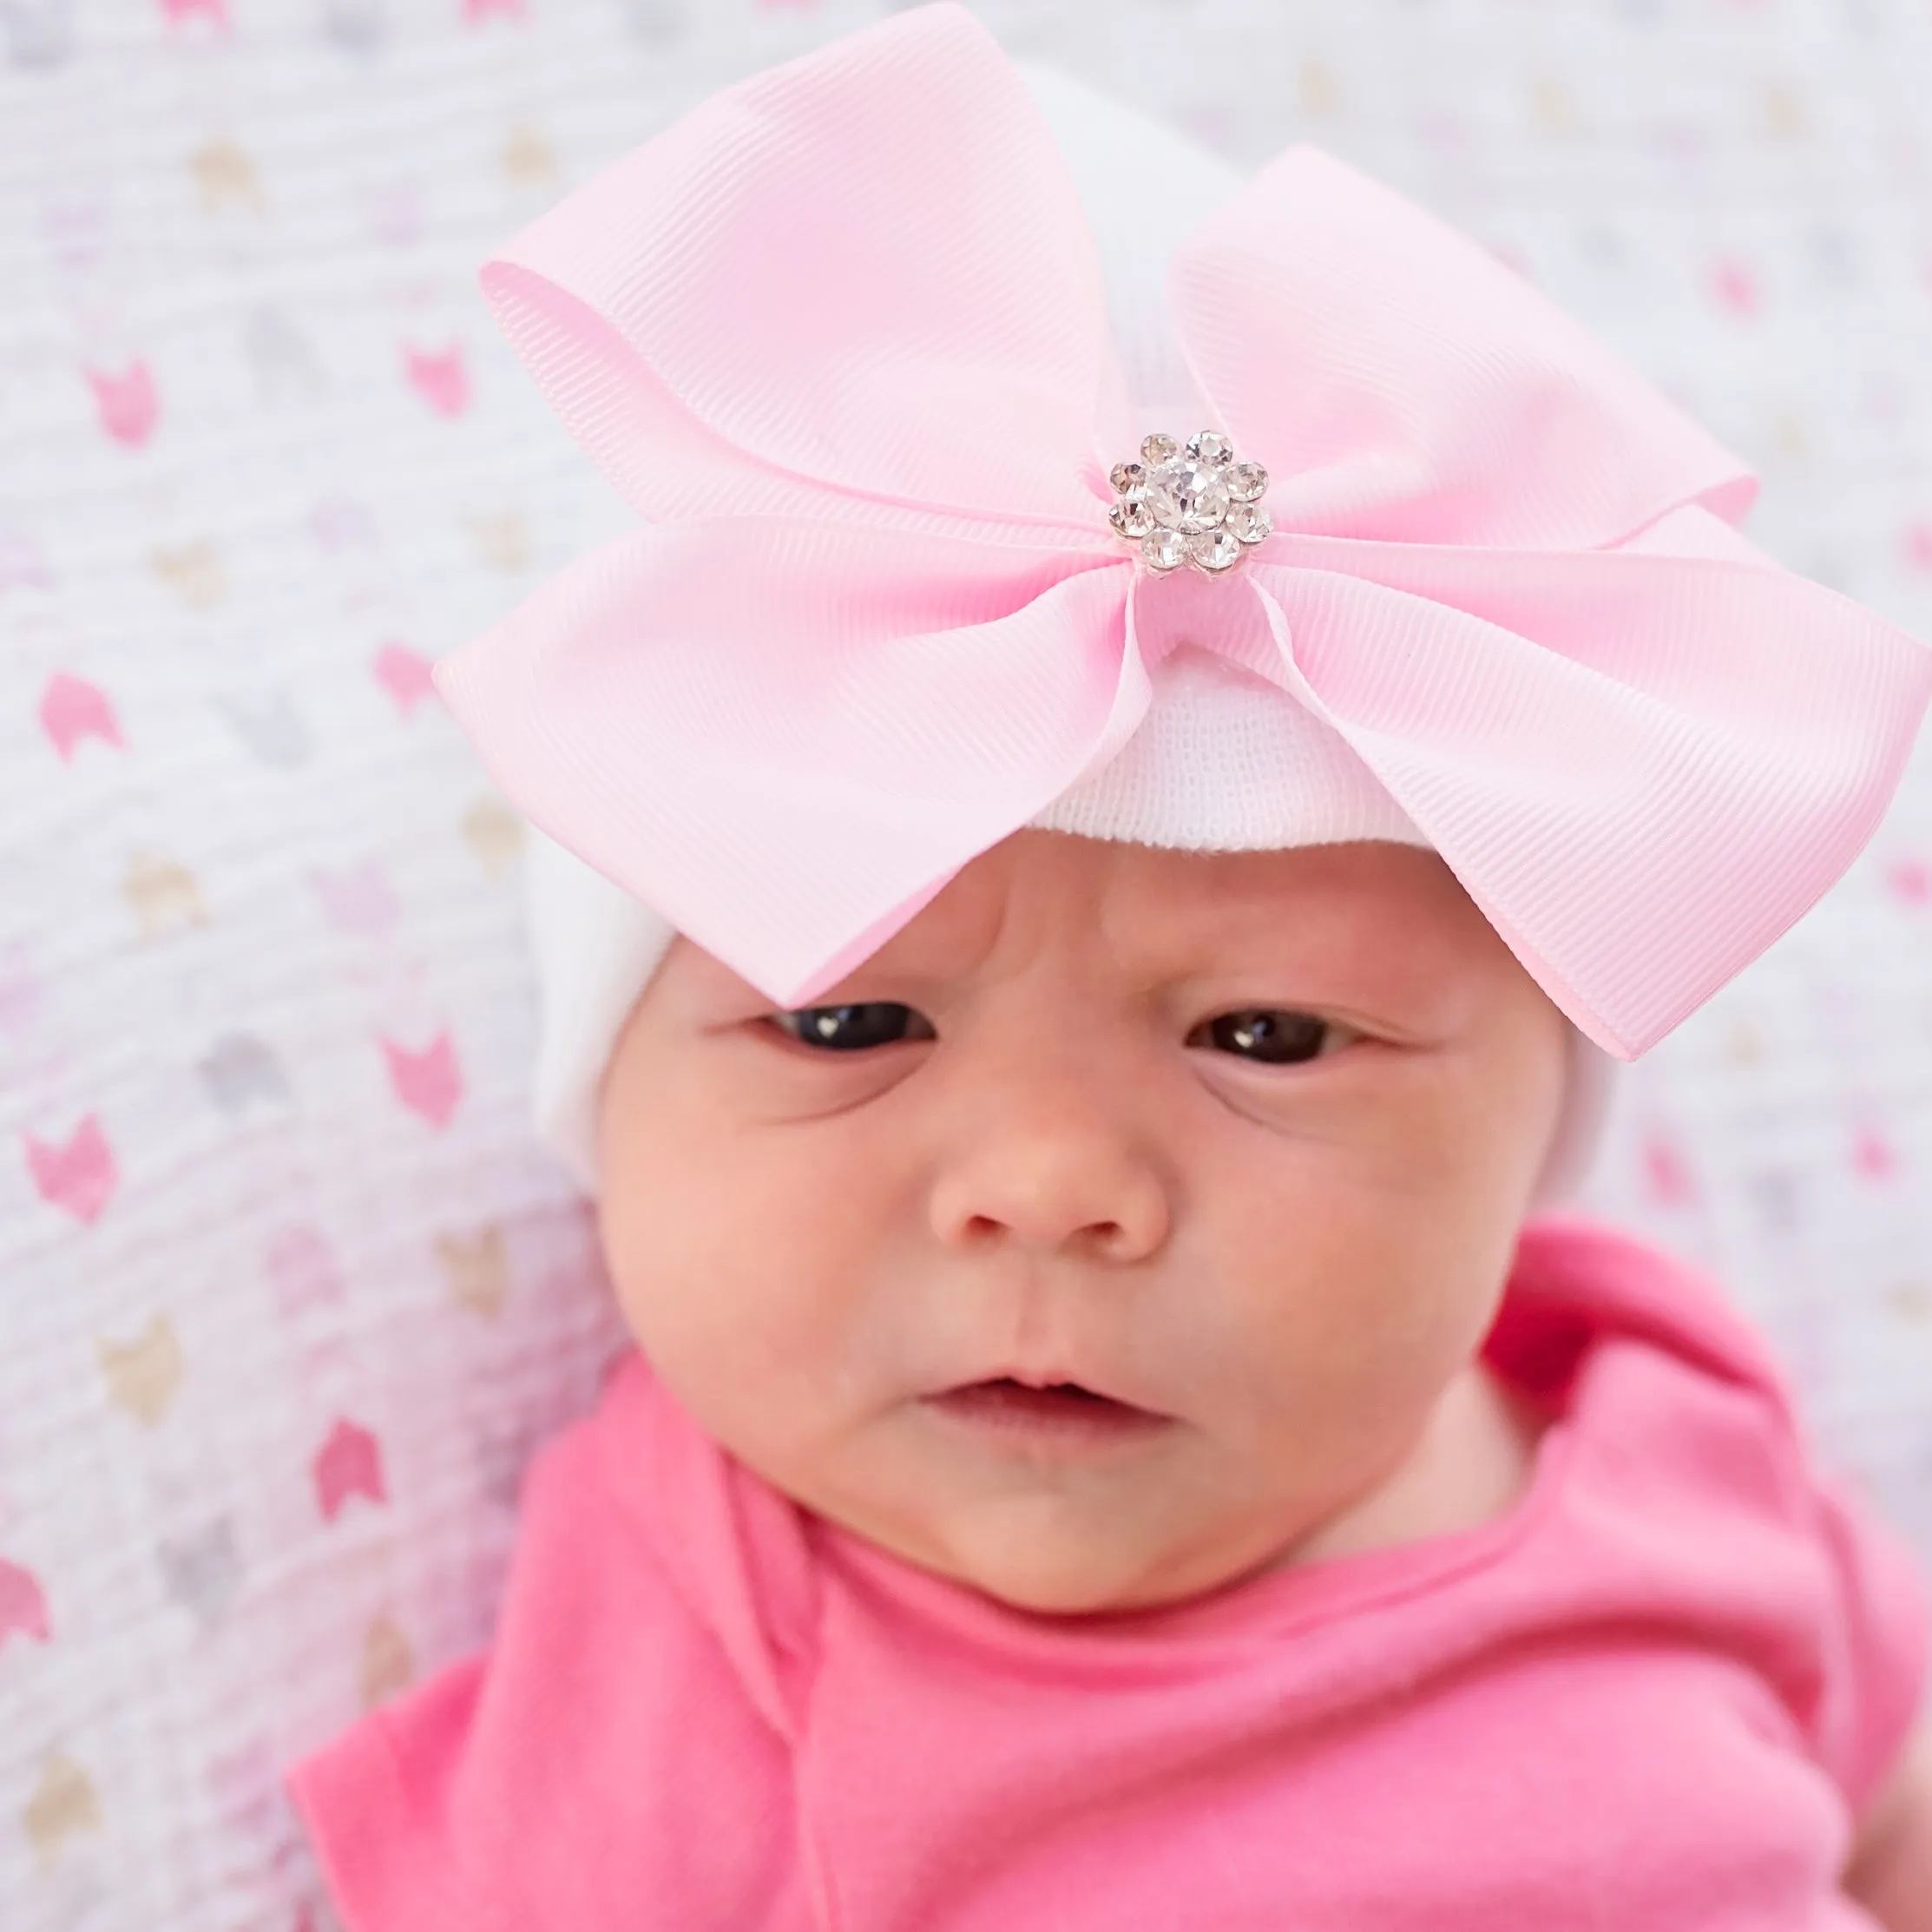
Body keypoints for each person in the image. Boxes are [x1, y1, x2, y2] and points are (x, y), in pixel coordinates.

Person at [286, 8, 1932, 1925]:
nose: (1053, 1188)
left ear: (1528, 1111)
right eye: (847, 1020)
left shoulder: (1658, 1410)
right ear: (612, 1092)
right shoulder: (722, 1628)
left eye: (1266, 1033)